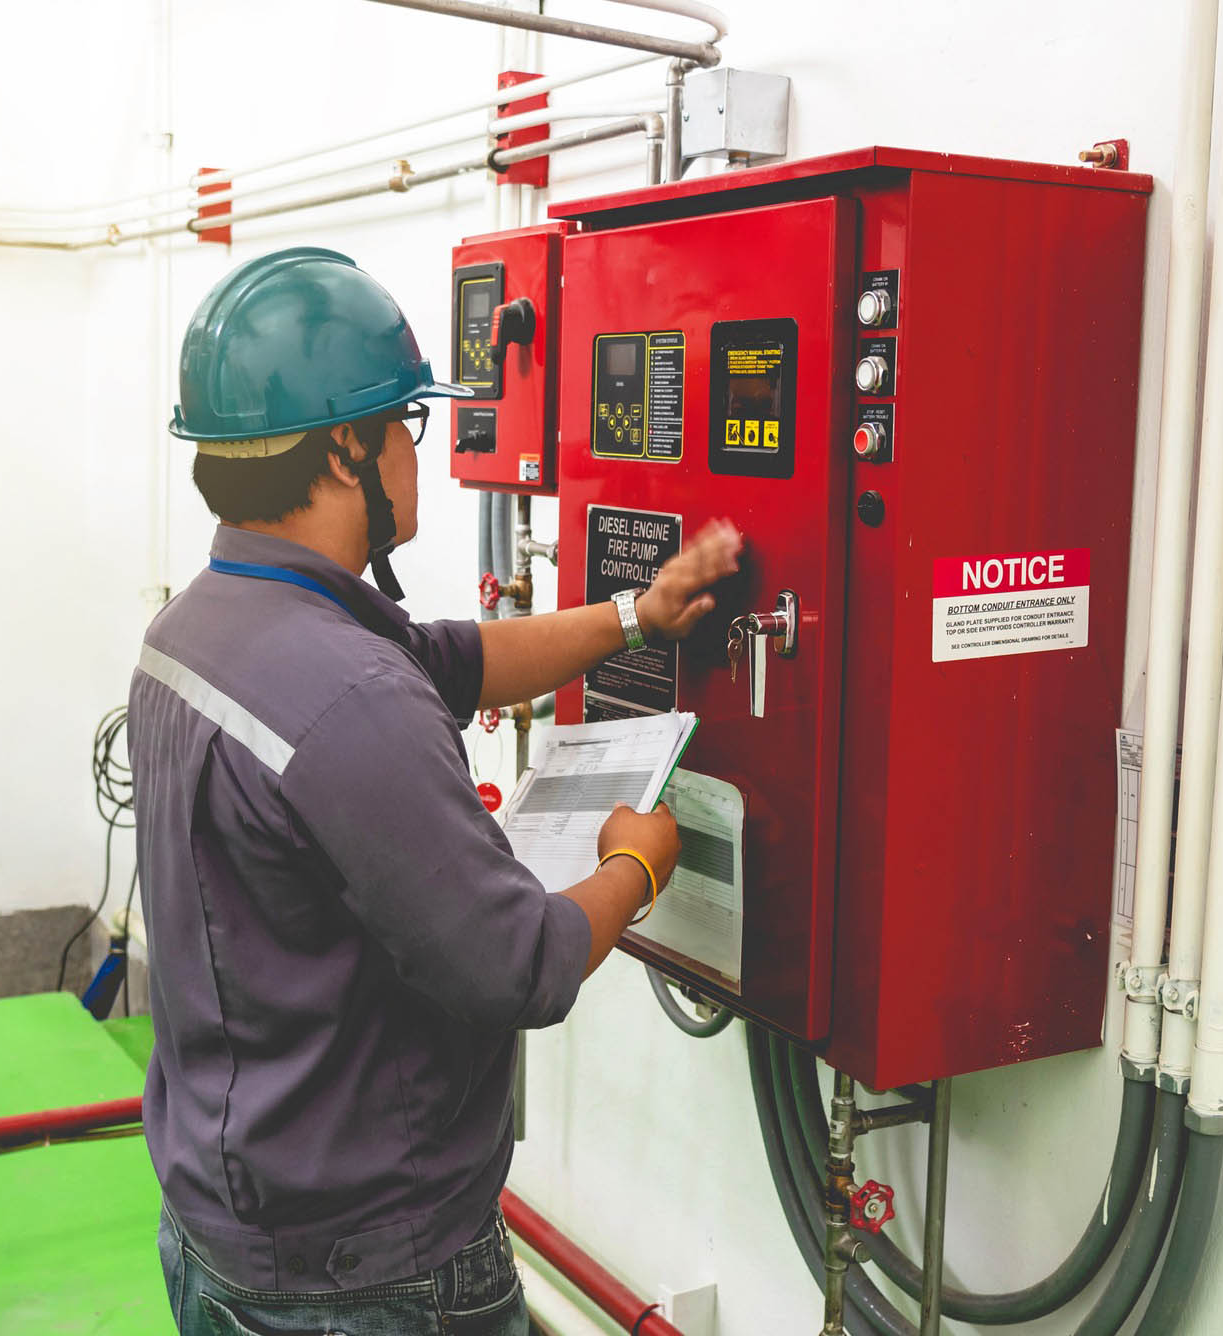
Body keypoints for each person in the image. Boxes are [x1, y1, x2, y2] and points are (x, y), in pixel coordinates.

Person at [128, 247, 741, 1336]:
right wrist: (635, 861)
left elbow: (448, 657)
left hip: (223, 1224)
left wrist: (632, 616)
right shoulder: (349, 695)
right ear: (344, 451)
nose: (420, 449)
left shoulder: (198, 627)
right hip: (367, 1279)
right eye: (406, 423)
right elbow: (521, 966)